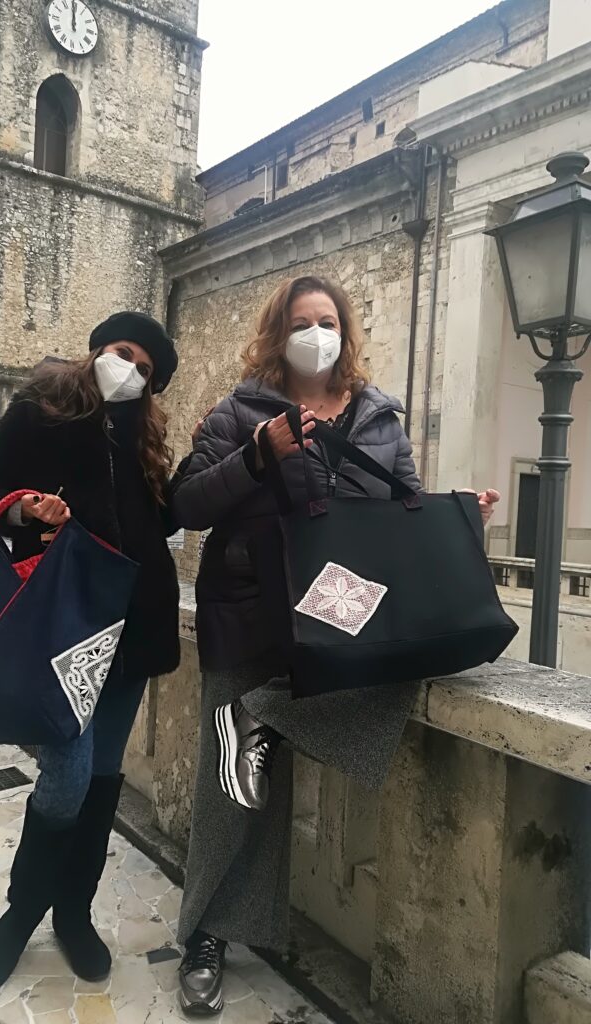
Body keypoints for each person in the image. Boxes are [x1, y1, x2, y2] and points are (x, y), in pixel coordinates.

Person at [170, 275, 500, 1016]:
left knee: (406, 669)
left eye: (327, 321)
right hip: (252, 609)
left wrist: (460, 517)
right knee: (233, 791)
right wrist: (255, 456)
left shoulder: (380, 417)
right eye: (300, 322)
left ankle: (267, 718)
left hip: (345, 610)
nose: (315, 334)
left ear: (345, 333)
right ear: (277, 333)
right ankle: (206, 937)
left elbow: (406, 504)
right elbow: (186, 504)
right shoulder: (239, 411)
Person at [0, 311, 181, 991]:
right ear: (98, 348)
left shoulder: (142, 439)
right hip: (66, 626)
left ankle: (74, 913)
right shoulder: (42, 409)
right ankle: (24, 909)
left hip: (136, 626)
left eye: (146, 369)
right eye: (124, 353)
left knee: (103, 776)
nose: (131, 370)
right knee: (67, 774)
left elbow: (160, 521)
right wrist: (26, 507)